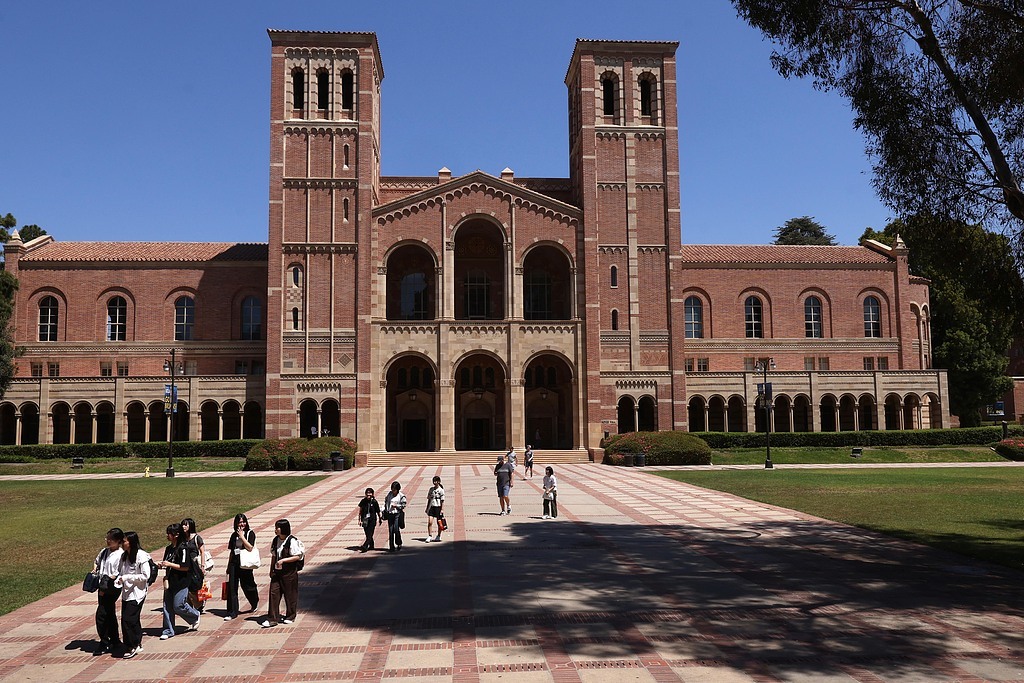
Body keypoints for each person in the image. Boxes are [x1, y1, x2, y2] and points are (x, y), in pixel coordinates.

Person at [157, 523, 200, 639]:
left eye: (169, 533)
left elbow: (185, 567)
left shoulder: (183, 548)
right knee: (167, 607)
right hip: (170, 582)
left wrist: (169, 564)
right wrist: (161, 565)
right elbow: (167, 562)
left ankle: (194, 615)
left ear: (176, 535)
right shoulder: (168, 549)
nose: (167, 536)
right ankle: (168, 630)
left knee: (178, 606)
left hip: (181, 582)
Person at [261, 518, 304, 628]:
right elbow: (274, 555)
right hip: (277, 573)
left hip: (289, 573)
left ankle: (290, 616)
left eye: (277, 528)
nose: (275, 530)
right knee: (274, 594)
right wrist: (271, 570)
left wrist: (284, 560)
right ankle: (272, 618)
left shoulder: (292, 541)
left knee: (290, 595)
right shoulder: (276, 540)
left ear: (283, 528)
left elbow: (298, 556)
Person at [115, 531, 151, 659]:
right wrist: (119, 579)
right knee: (130, 619)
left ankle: (132, 645)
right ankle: (137, 643)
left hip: (137, 593)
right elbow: (120, 572)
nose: (122, 543)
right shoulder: (124, 556)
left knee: (128, 620)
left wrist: (128, 578)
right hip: (126, 593)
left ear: (131, 542)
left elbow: (146, 576)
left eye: (124, 541)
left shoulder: (141, 556)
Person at [93, 527, 125, 656]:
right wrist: (95, 570)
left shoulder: (121, 554)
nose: (108, 541)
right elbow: (96, 562)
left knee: (101, 614)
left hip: (111, 587)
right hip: (102, 585)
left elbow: (119, 571)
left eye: (110, 539)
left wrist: (109, 580)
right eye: (107, 538)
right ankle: (115, 640)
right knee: (109, 613)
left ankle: (104, 641)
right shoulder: (104, 552)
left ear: (118, 541)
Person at [224, 513, 259, 620]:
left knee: (248, 586)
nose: (242, 524)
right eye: (240, 522)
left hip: (245, 563)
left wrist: (242, 536)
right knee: (232, 587)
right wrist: (228, 566)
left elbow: (250, 547)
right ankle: (232, 612)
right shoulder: (233, 535)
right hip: (235, 563)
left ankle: (254, 601)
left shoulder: (250, 533)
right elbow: (231, 551)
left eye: (243, 522)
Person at [181, 517, 207, 613]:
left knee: (195, 585)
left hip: (195, 565)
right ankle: (190, 605)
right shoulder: (182, 538)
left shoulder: (196, 538)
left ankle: (200, 603)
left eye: (186, 524)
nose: (183, 526)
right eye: (183, 524)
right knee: (187, 586)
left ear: (190, 526)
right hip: (185, 565)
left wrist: (202, 566)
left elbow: (202, 552)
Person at [383, 481, 408, 551]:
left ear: (397, 489)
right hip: (390, 514)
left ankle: (399, 543)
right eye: (392, 489)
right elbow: (386, 502)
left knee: (396, 529)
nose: (393, 491)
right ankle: (391, 546)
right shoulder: (389, 494)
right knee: (391, 531)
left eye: (394, 490)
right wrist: (385, 510)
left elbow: (403, 505)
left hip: (397, 514)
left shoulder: (401, 496)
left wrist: (396, 506)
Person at [357, 488, 383, 552]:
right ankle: (371, 545)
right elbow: (360, 511)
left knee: (370, 534)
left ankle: (365, 546)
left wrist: (380, 518)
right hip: (365, 520)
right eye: (367, 493)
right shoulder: (363, 501)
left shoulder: (374, 502)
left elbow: (378, 511)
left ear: (372, 494)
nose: (369, 494)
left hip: (372, 520)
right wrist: (359, 520)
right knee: (367, 534)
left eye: (370, 493)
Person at [425, 476, 445, 542]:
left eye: (436, 481)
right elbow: (429, 499)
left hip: (438, 507)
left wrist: (442, 509)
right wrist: (427, 507)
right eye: (433, 481)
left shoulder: (441, 490)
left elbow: (442, 501)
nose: (434, 482)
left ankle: (438, 535)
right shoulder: (431, 489)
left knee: (439, 522)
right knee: (430, 522)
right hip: (432, 507)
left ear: (439, 482)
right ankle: (430, 535)